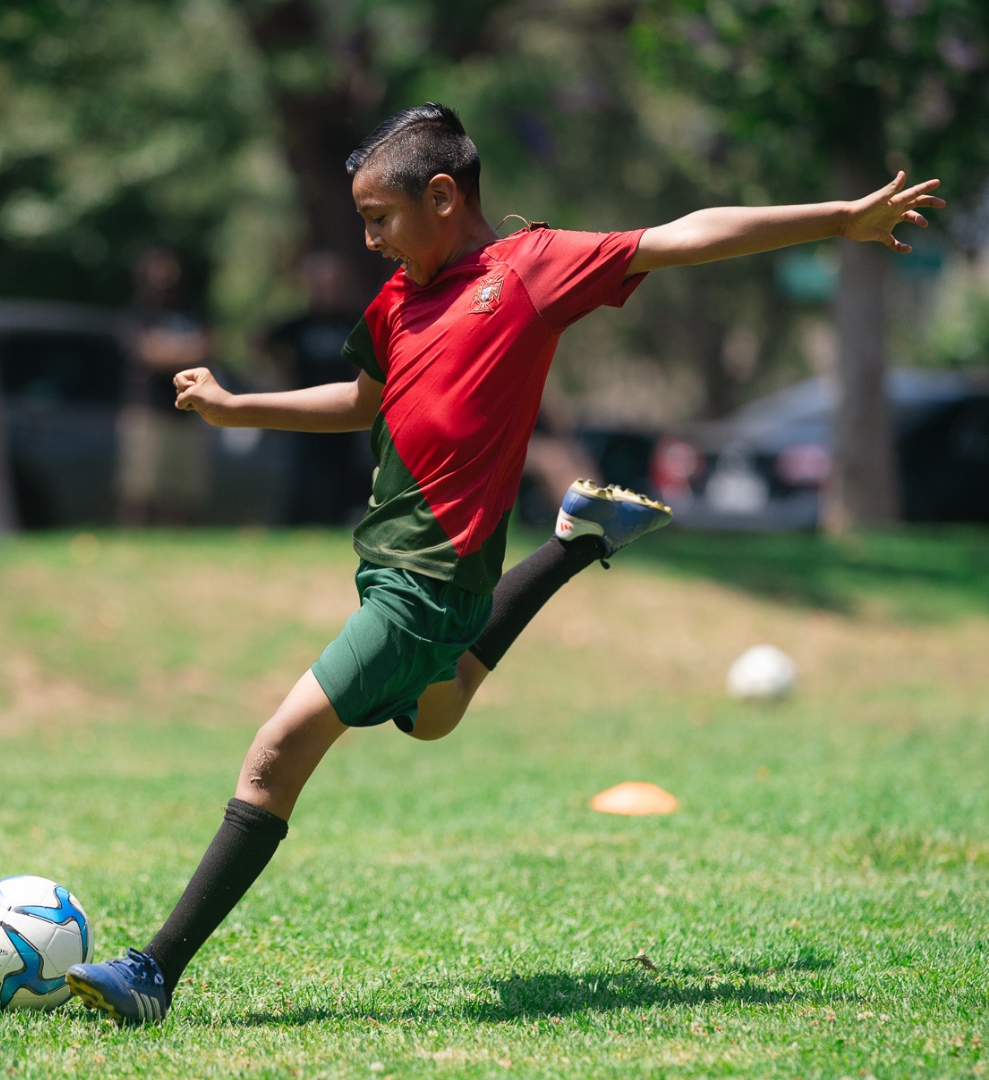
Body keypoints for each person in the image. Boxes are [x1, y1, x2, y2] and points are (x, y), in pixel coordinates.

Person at [66, 103, 944, 1025]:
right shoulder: (397, 300)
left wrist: (839, 218)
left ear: (443, 197)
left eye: (379, 218)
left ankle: (154, 971)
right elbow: (366, 397)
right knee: (434, 715)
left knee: (279, 749)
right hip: (394, 572)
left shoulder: (528, 270)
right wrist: (240, 407)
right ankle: (574, 544)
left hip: (429, 584)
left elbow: (684, 236)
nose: (369, 239)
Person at [254, 249, 372, 525]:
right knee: (305, 479)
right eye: (319, 283)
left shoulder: (356, 321)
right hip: (304, 418)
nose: (326, 289)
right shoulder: (298, 325)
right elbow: (258, 344)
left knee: (346, 478)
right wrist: (278, 378)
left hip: (348, 416)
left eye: (332, 282)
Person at [115, 248, 213, 526]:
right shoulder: (136, 314)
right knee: (140, 492)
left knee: (184, 495)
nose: (165, 279)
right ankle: (130, 549)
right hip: (147, 413)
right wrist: (186, 350)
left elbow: (210, 346)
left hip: (190, 413)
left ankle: (180, 554)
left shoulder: (191, 311)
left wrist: (167, 349)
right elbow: (148, 354)